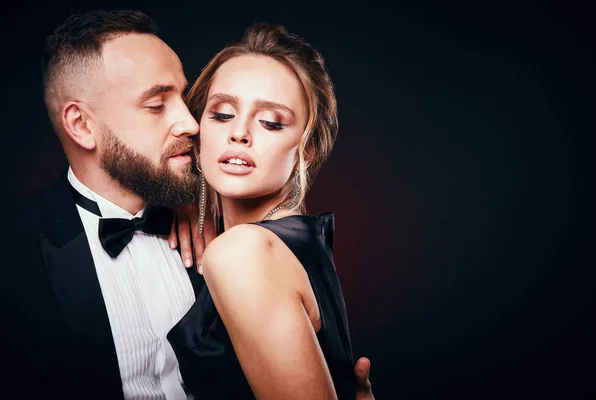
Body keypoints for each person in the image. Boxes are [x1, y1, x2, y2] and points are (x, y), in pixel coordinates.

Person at [0, 9, 374, 400]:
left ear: (306, 148)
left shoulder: (232, 242)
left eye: (184, 97)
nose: (191, 123)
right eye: (157, 104)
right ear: (81, 125)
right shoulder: (14, 259)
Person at [166, 23, 360, 399]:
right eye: (221, 114)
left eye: (271, 122)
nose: (239, 132)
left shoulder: (244, 253)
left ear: (307, 150)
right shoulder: (301, 247)